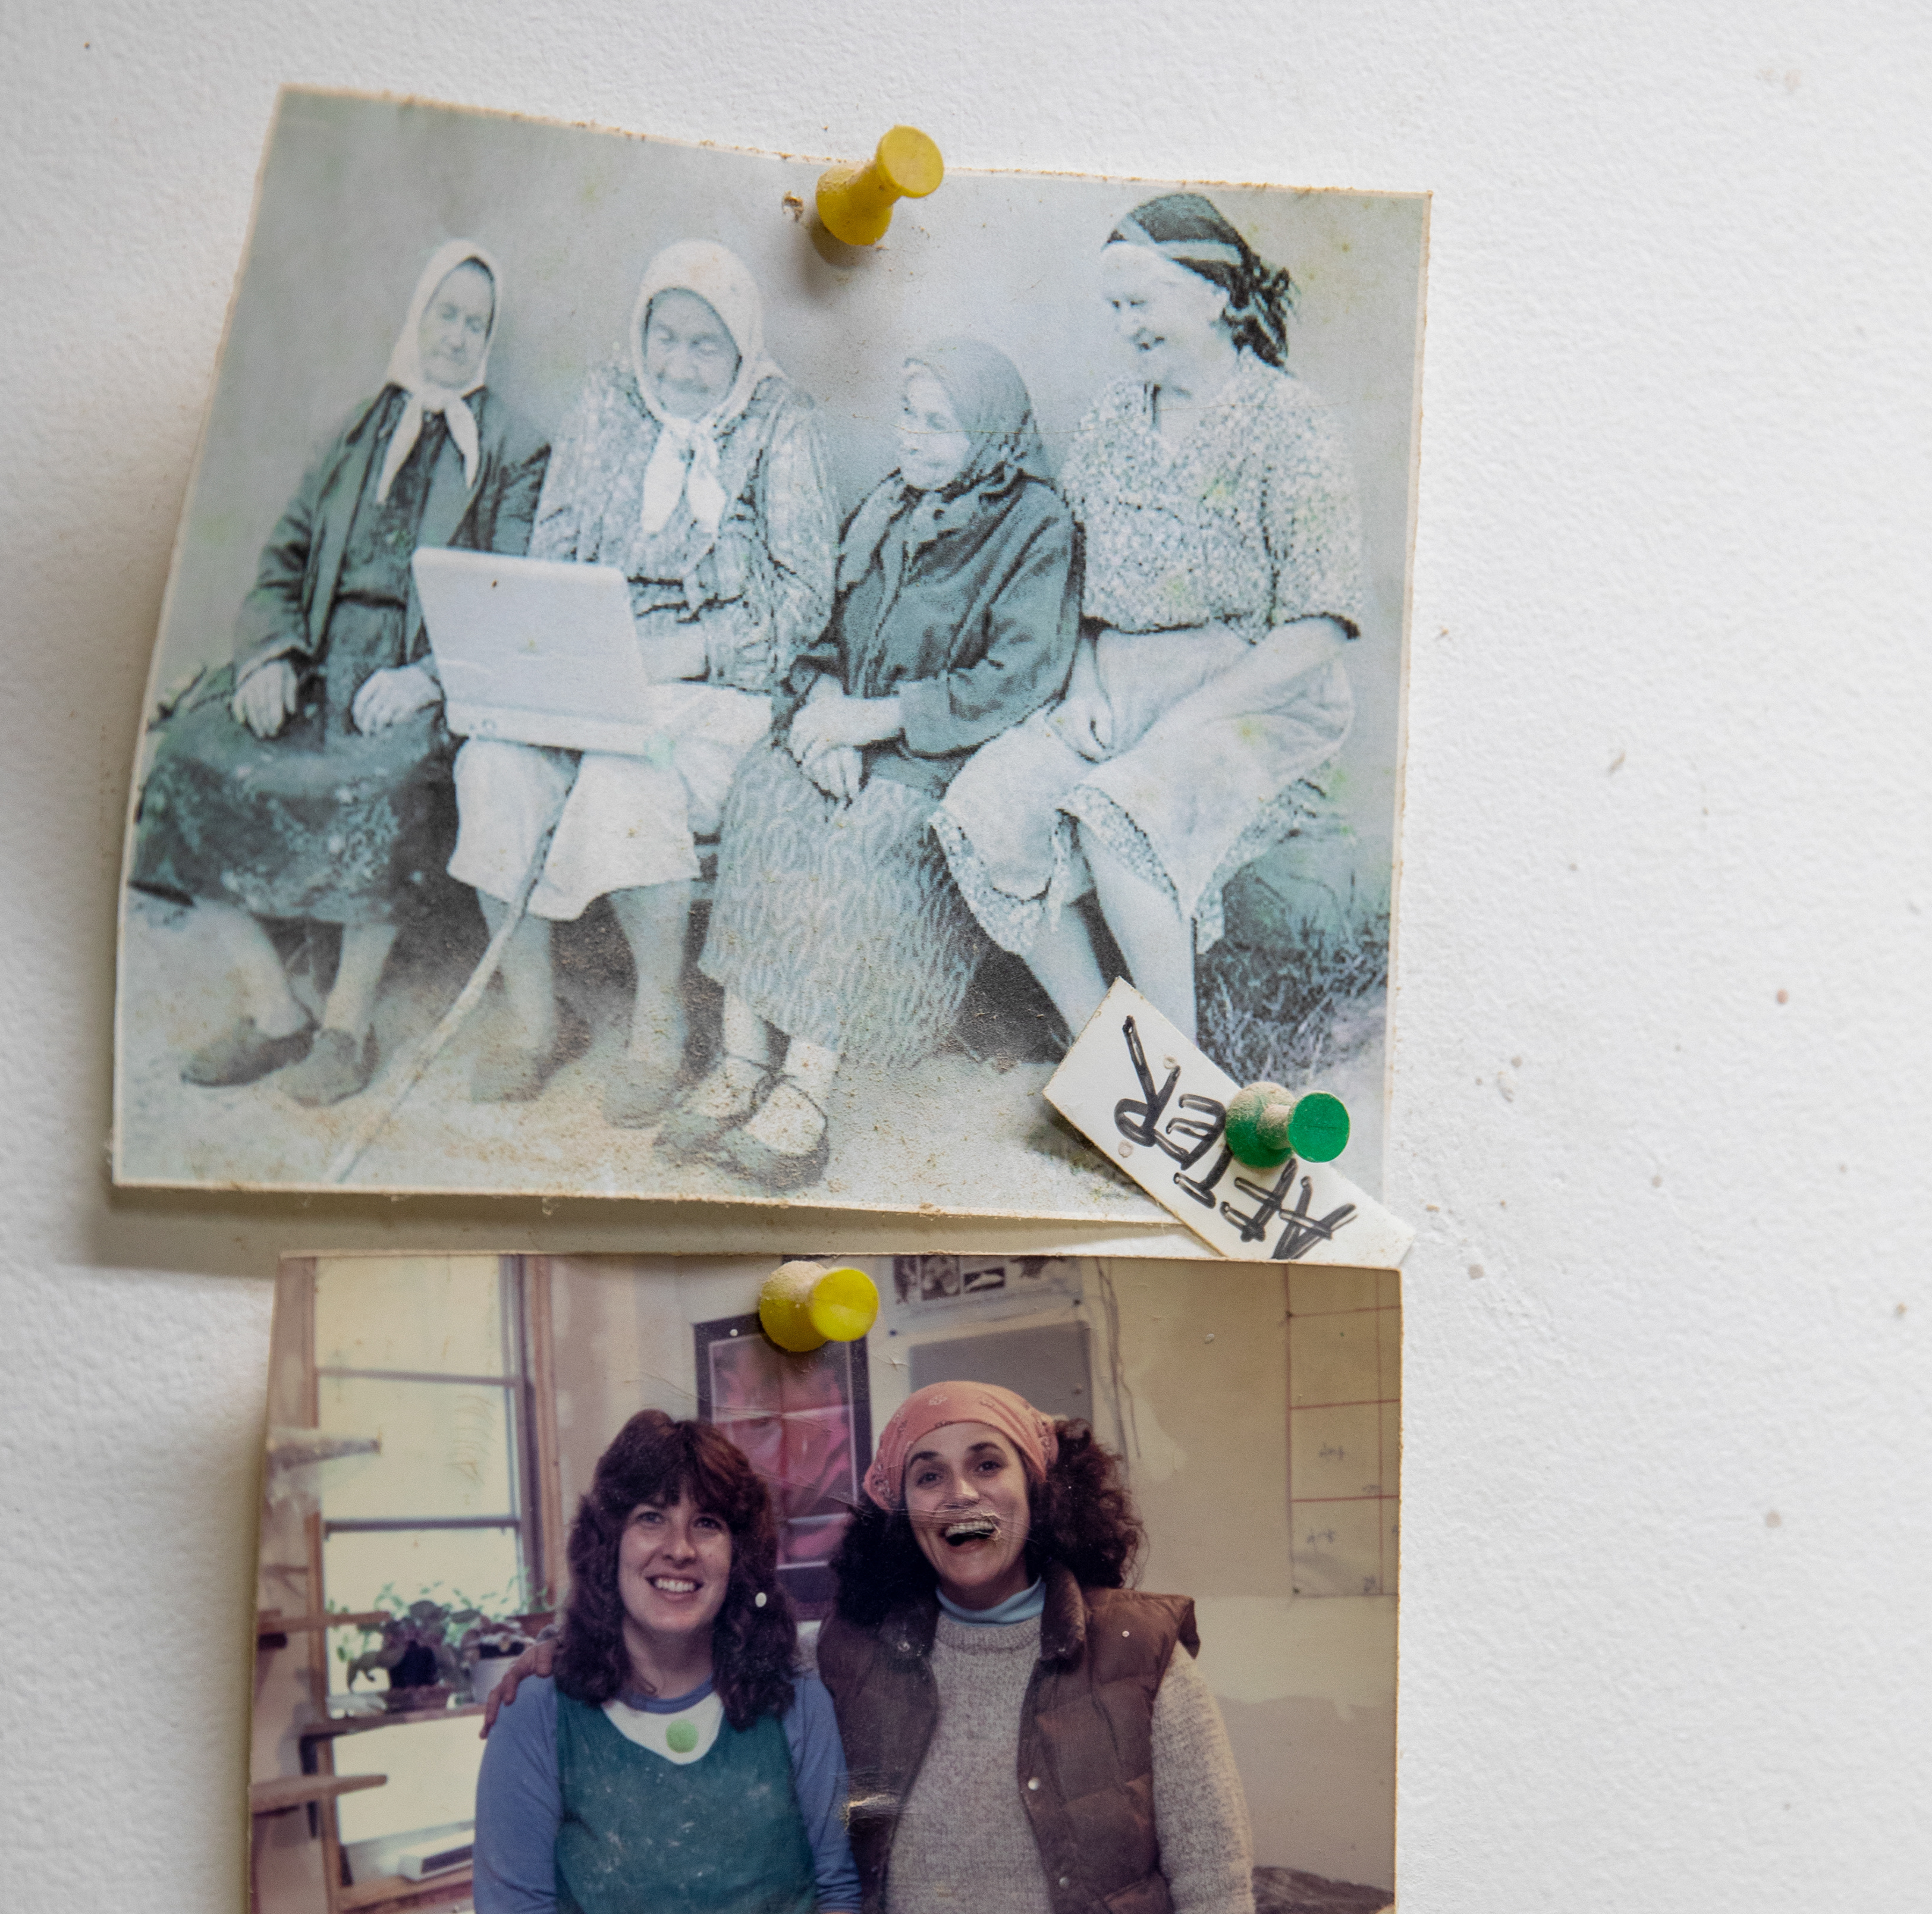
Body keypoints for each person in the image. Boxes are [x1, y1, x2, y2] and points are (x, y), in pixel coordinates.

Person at [818, 1381, 1267, 1914]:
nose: (961, 1492)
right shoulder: (854, 1659)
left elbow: (1214, 1883)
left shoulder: (1140, 1653)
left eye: (988, 1464)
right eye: (928, 1474)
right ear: (903, 1511)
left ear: (1038, 1487)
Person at [934, 196, 1368, 1045]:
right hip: (1119, 685)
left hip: (1255, 701)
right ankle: (1111, 1054)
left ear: (1216, 295)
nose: (1126, 326)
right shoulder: (1114, 420)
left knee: (1121, 817)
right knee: (988, 806)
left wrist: (1194, 715)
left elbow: (1318, 627)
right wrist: (1084, 685)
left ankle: (1177, 1070)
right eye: (1115, 307)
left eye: (1142, 302)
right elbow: (1074, 581)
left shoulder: (1292, 426)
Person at [129, 244, 544, 1105]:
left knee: (385, 783)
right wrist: (271, 655)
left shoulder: (513, 449)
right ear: (418, 318)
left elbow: (510, 597)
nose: (456, 337)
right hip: (319, 663)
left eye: (475, 324)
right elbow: (282, 559)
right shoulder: (357, 431)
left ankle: (348, 1025)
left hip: (416, 683)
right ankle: (273, 1010)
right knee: (186, 757)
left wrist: (430, 677)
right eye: (445, 315)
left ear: (488, 339)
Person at [664, 338, 1079, 1193]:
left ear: (990, 434)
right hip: (843, 728)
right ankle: (742, 1062)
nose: (913, 438)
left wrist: (873, 722)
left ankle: (805, 1091)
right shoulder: (889, 503)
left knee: (863, 842)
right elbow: (823, 632)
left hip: (939, 752)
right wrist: (824, 717)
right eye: (907, 415)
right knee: (765, 795)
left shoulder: (1036, 525)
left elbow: (1018, 676)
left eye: (940, 424)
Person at [445, 243, 838, 1125]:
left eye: (706, 345)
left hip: (720, 689)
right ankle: (536, 1017)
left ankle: (661, 1024)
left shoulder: (781, 423)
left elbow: (805, 598)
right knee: (491, 767)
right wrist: (571, 650)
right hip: (594, 670)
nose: (679, 365)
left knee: (627, 778)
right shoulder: (608, 398)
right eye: (666, 337)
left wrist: (682, 651)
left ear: (741, 346)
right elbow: (553, 543)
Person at [472, 1412, 918, 1914]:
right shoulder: (538, 1710)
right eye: (651, 1517)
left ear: (738, 1556)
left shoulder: (796, 1697)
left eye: (706, 1523)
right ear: (609, 1542)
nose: (678, 1547)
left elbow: (838, 1896)